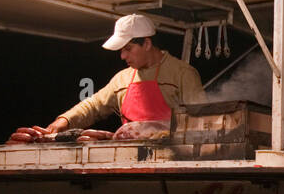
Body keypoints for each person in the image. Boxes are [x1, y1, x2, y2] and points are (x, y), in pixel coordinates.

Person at [44, 14, 206, 133]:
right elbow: (94, 105)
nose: (122, 56)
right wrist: (65, 120)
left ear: (147, 43)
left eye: (128, 49)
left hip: (172, 158)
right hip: (128, 157)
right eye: (121, 50)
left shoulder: (182, 74)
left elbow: (202, 121)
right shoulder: (122, 78)